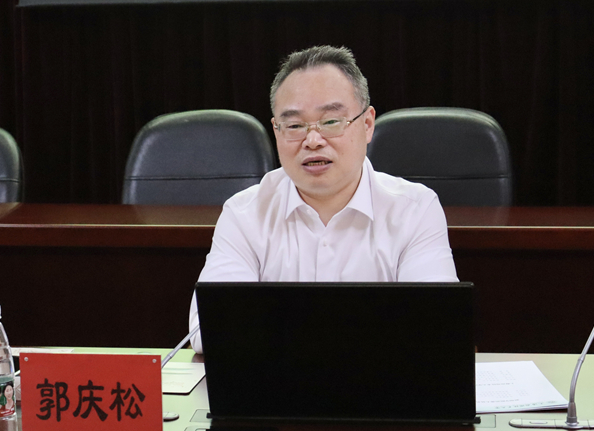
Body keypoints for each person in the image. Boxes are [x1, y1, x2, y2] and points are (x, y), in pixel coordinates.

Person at [189, 45, 458, 353]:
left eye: (331, 122)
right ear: (276, 130)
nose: (313, 140)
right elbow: (208, 329)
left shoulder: (415, 210)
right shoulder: (243, 214)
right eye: (295, 126)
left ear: (367, 124)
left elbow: (437, 326)